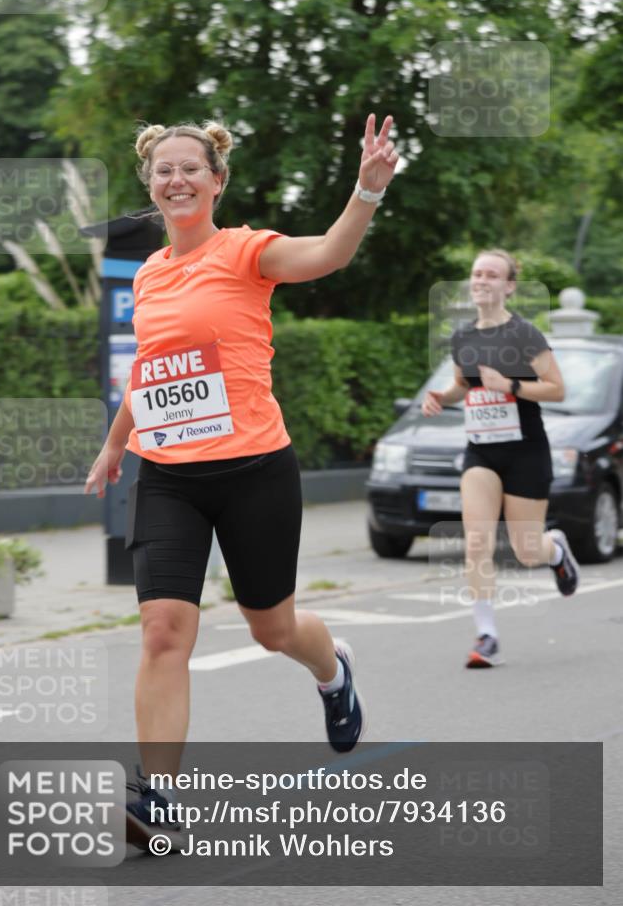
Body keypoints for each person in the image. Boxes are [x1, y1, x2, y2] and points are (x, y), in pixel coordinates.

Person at [85, 114, 400, 848]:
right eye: (163, 170)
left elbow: (325, 254)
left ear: (216, 181)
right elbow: (150, 371)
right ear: (152, 186)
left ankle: (333, 672)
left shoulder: (246, 252)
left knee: (272, 628)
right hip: (168, 476)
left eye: (190, 167)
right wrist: (114, 446)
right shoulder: (152, 272)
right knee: (164, 630)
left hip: (255, 471)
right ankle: (158, 796)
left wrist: (365, 191)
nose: (176, 179)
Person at [421, 250, 579, 668]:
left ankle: (556, 551)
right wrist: (443, 397)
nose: (482, 280)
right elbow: (461, 385)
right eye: (477, 274)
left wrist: (510, 385)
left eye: (492, 275)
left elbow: (557, 388)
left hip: (526, 450)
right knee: (477, 540)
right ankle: (486, 635)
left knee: (528, 550)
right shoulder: (462, 337)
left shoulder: (524, 334)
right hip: (481, 451)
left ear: (509, 286)